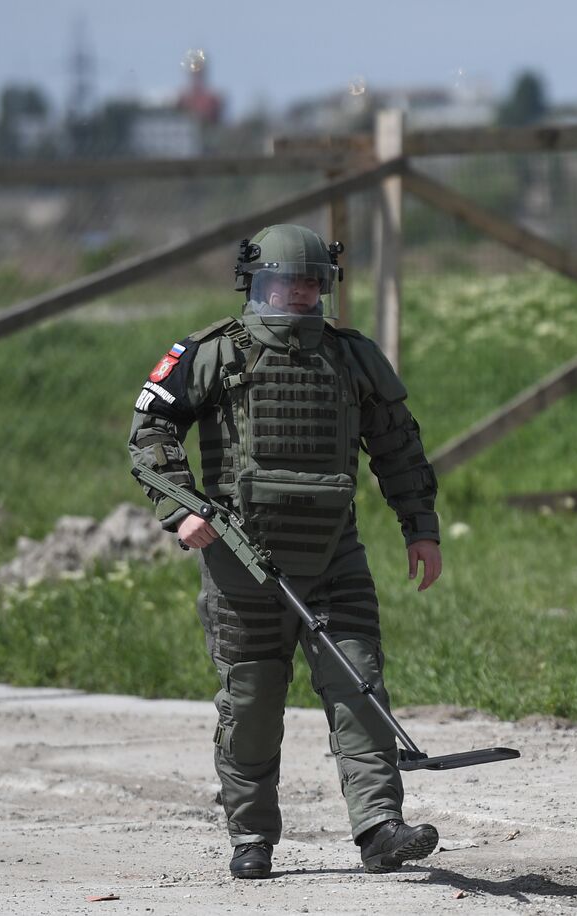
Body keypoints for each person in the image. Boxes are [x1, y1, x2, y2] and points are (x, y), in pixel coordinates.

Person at [127, 224, 443, 878]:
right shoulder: (211, 352)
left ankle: (380, 828)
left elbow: (398, 446)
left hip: (335, 556)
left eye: (309, 286)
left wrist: (420, 526)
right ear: (255, 284)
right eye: (284, 284)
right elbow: (151, 433)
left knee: (359, 685)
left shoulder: (351, 357)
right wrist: (183, 510)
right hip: (240, 561)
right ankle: (252, 837)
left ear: (325, 288)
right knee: (251, 704)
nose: (297, 296)